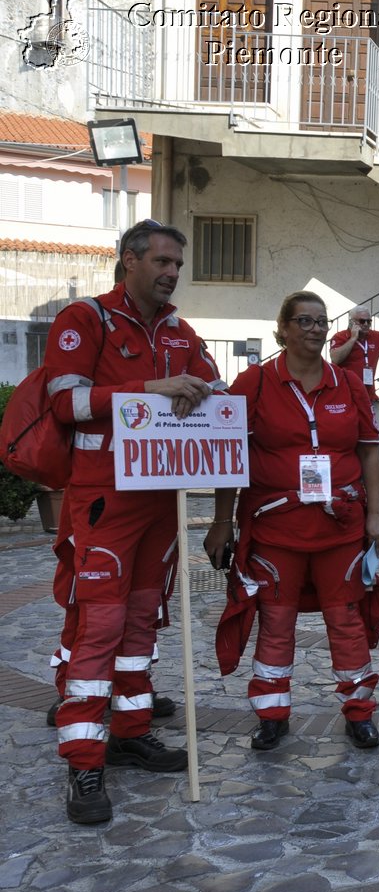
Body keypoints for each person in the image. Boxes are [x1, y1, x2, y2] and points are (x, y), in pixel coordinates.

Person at [44, 219, 221, 825]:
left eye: (178, 264)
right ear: (130, 261)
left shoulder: (180, 331)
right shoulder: (85, 319)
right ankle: (83, 762)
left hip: (160, 502)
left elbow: (214, 390)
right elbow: (65, 402)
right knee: (102, 625)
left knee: (144, 620)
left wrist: (216, 395)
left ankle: (130, 730)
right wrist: (152, 388)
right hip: (103, 500)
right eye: (163, 262)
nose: (173, 273)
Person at [205, 291, 379, 751]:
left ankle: (360, 712)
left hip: (340, 529)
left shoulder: (347, 384)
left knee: (346, 620)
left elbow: (369, 449)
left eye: (322, 321)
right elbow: (232, 455)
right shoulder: (255, 383)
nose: (314, 329)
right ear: (283, 329)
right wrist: (222, 521)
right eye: (304, 321)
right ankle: (271, 714)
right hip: (276, 531)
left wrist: (377, 511)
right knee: (276, 620)